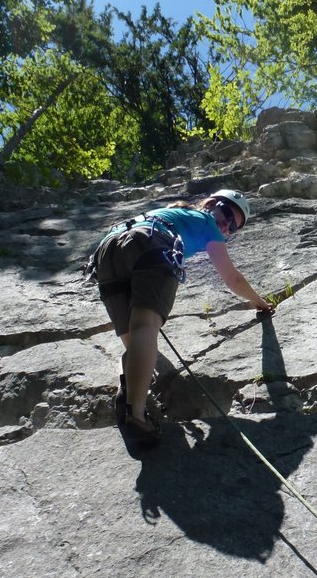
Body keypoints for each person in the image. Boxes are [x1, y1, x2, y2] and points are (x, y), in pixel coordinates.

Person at [91, 189, 274, 446]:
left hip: (107, 252)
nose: (227, 226)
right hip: (151, 244)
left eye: (234, 227)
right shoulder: (207, 222)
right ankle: (136, 417)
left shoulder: (173, 214)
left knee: (135, 344)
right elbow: (232, 278)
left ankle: (128, 391)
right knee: (146, 326)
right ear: (211, 204)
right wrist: (260, 303)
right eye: (227, 215)